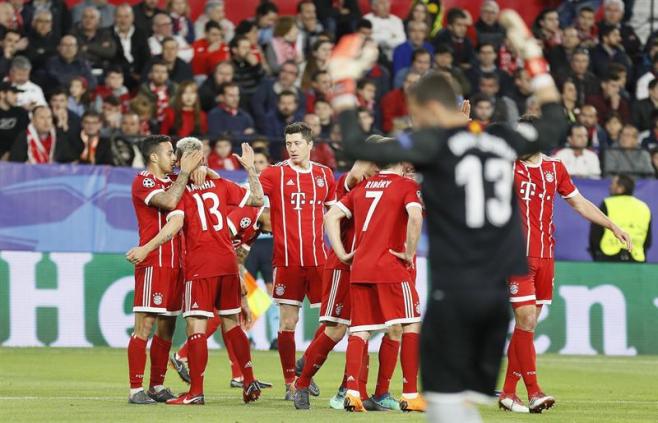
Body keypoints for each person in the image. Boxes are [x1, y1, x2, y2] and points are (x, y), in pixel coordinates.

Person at [327, 11, 567, 420]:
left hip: (454, 286)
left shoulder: (430, 145)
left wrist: (344, 81)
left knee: (444, 402)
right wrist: (532, 56)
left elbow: (353, 143)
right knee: (466, 400)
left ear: (426, 108)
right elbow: (554, 125)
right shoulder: (501, 138)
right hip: (495, 288)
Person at [499, 116, 630, 414]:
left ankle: (508, 392)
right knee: (527, 321)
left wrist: (611, 225)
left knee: (525, 328)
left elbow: (579, 202)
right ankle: (534, 392)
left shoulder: (554, 168)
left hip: (546, 257)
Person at [144, 138, 264, 405]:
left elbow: (169, 204)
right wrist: (250, 168)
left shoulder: (178, 188)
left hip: (200, 265)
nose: (174, 162)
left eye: (177, 158)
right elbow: (258, 198)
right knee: (232, 324)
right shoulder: (220, 183)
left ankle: (195, 391)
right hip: (227, 262)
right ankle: (249, 380)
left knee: (196, 326)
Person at [322, 141, 425, 413]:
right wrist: (409, 252)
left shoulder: (361, 187)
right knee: (411, 324)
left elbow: (331, 216)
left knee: (360, 330)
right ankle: (411, 394)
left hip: (360, 268)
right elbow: (415, 217)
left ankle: (354, 394)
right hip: (391, 266)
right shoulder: (406, 186)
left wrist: (343, 253)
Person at [292, 143, 377, 411]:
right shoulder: (351, 183)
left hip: (369, 266)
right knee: (336, 329)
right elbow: (354, 174)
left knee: (362, 330)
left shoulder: (386, 184)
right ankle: (302, 382)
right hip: (343, 265)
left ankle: (352, 389)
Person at [258, 122, 336, 400]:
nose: (292, 149)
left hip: (319, 260)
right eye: (288, 144)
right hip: (287, 260)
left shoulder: (325, 175)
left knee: (332, 321)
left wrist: (340, 249)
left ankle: (305, 367)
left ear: (309, 144)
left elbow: (332, 217)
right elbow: (253, 197)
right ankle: (290, 382)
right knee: (287, 323)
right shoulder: (275, 173)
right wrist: (249, 171)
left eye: (297, 143)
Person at [122, 135, 203, 404]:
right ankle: (135, 389)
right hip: (153, 262)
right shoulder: (144, 180)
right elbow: (169, 202)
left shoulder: (174, 181)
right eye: (170, 153)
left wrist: (199, 167)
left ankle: (156, 386)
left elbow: (201, 177)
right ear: (154, 157)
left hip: (177, 264)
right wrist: (187, 174)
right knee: (144, 326)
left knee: (166, 328)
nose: (175, 158)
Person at [169, 205, 274, 390]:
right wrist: (237, 280)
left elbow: (239, 257)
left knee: (230, 317)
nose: (275, 232)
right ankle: (181, 356)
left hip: (222, 263)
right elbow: (221, 239)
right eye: (277, 225)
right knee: (221, 315)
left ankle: (239, 376)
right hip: (202, 256)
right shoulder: (246, 214)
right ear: (269, 213)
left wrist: (240, 282)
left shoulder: (255, 230)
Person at [590, 174, 651, 263]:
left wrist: (596, 254)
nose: (610, 187)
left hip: (608, 256)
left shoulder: (607, 203)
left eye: (613, 184)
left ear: (620, 188)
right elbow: (648, 239)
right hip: (637, 258)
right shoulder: (644, 207)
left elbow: (596, 232)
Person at [9, 105, 81, 164]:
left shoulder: (58, 135)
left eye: (49, 117)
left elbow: (70, 157)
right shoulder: (24, 137)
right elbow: (15, 163)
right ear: (33, 120)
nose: (46, 122)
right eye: (42, 118)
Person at [112, 4, 150, 91]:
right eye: (119, 17)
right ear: (114, 18)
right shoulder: (107, 34)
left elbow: (146, 58)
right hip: (116, 77)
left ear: (132, 18)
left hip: (139, 78)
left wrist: (142, 76)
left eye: (126, 17)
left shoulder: (141, 33)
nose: (123, 21)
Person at [71, 6, 117, 72]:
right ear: (81, 19)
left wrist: (88, 47)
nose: (88, 20)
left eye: (92, 17)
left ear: (99, 20)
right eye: (85, 17)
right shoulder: (73, 34)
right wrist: (99, 49)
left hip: (101, 70)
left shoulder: (105, 34)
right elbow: (76, 54)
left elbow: (110, 52)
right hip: (79, 70)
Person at [0, 81, 28, 160]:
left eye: (17, 94)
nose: (16, 97)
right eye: (13, 93)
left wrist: (11, 153)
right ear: (2, 94)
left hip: (16, 156)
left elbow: (25, 136)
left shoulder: (21, 113)